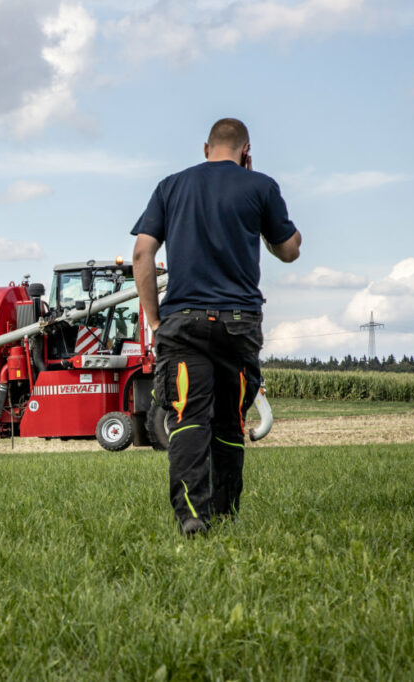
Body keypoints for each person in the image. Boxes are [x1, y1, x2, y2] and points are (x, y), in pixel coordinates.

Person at [130, 118, 301, 536]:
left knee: (189, 418)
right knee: (228, 422)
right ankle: (226, 516)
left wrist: (155, 320)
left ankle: (192, 518)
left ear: (206, 147)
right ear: (246, 150)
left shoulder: (171, 186)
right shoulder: (260, 186)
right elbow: (290, 251)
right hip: (238, 324)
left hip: (183, 323)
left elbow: (141, 255)